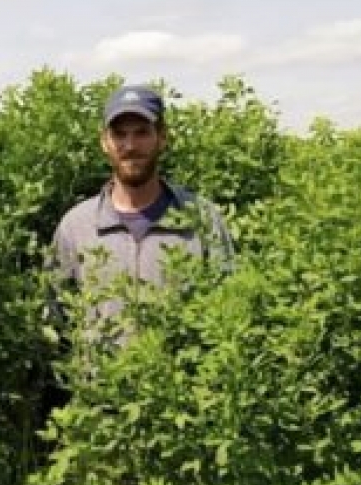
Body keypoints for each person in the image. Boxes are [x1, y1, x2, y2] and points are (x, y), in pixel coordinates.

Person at [45, 83, 236, 361]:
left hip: (182, 397)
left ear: (162, 137)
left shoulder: (201, 219)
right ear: (104, 142)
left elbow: (228, 310)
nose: (130, 146)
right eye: (119, 134)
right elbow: (56, 319)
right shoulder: (76, 226)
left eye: (142, 133)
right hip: (100, 398)